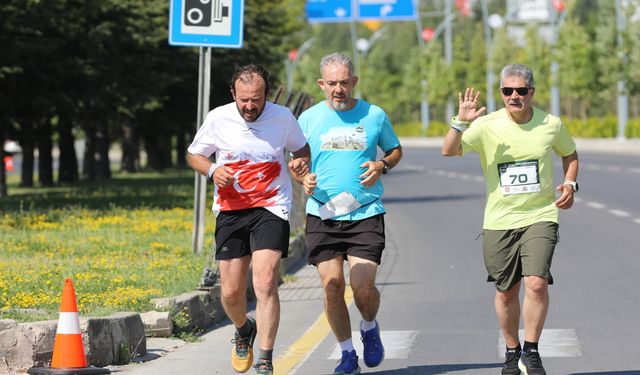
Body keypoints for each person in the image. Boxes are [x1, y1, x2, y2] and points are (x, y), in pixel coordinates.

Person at [442, 64, 579, 375]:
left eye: (521, 91)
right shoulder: (486, 125)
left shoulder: (550, 124)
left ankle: (531, 351)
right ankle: (511, 350)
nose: (514, 96)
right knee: (506, 291)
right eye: (508, 91)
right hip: (499, 219)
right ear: (501, 93)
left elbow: (569, 154)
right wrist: (460, 122)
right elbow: (448, 151)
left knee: (536, 282)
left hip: (540, 214)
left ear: (531, 92)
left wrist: (570, 183)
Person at [186, 64, 310, 375]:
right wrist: (214, 171)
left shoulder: (282, 118)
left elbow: (302, 149)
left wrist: (299, 165)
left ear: (266, 95)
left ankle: (266, 358)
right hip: (231, 210)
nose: (250, 106)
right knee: (230, 291)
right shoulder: (218, 117)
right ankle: (243, 329)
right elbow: (194, 155)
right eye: (244, 100)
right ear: (234, 95)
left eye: (256, 99)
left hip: (271, 207)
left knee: (266, 281)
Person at [297, 52, 403, 375]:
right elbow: (296, 161)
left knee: (362, 288)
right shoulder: (308, 119)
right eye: (331, 84)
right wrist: (302, 176)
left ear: (353, 81)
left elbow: (396, 150)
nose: (338, 89)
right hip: (323, 214)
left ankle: (369, 326)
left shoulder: (374, 115)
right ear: (321, 84)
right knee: (331, 286)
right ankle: (346, 354)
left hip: (365, 213)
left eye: (344, 82)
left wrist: (382, 165)